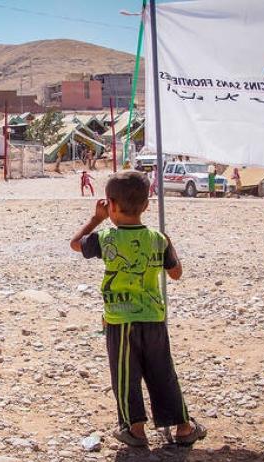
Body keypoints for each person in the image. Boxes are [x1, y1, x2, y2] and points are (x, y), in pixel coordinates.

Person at [70, 171, 206, 447]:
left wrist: (97, 218)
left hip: (120, 321)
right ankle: (183, 427)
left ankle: (135, 429)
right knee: (162, 372)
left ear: (111, 204)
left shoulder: (106, 237)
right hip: (154, 318)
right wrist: (170, 244)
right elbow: (176, 273)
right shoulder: (158, 239)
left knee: (125, 376)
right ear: (146, 205)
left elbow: (75, 244)